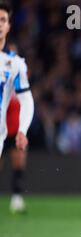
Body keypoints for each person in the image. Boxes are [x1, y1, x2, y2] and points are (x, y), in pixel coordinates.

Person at [0, 2, 34, 161]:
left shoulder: (15, 64)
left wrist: (22, 130)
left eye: (3, 20)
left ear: (8, 26)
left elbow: (26, 99)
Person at [4, 93, 28, 213]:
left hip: (16, 133)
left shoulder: (21, 87)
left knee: (19, 164)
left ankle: (17, 198)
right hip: (2, 133)